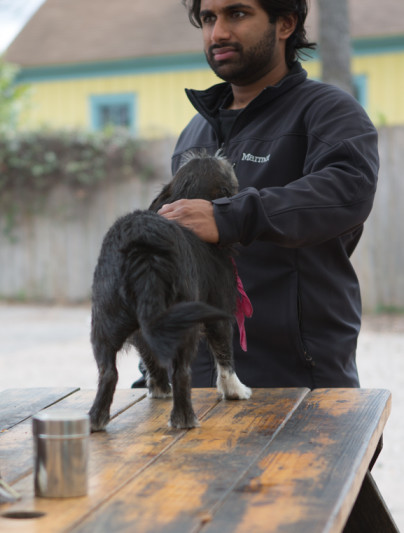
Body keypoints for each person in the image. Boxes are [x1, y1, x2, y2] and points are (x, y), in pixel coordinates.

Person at [142, 0, 378, 389]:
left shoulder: (328, 112)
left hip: (296, 380)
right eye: (207, 18)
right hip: (198, 383)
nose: (217, 33)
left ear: (285, 23)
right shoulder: (195, 133)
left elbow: (347, 191)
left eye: (237, 14)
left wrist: (227, 217)